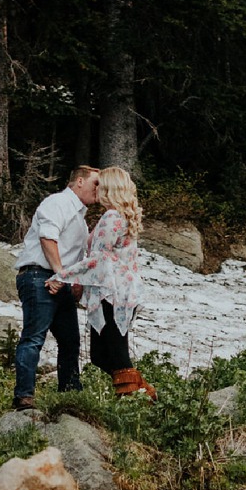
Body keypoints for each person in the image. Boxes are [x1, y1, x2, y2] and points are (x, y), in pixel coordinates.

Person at [12, 164, 100, 410]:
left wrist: (73, 282)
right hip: (39, 276)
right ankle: (24, 397)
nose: (99, 190)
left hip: (60, 281)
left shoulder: (80, 219)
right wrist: (61, 275)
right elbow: (47, 238)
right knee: (34, 338)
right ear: (79, 181)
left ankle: (70, 395)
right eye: (96, 183)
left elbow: (76, 255)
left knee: (70, 341)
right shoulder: (57, 203)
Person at [81, 165, 156, 398]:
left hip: (112, 293)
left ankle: (136, 398)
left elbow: (98, 258)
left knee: (115, 354)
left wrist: (65, 276)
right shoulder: (121, 215)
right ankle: (143, 391)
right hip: (123, 292)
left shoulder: (112, 216)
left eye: (100, 185)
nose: (97, 190)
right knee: (101, 355)